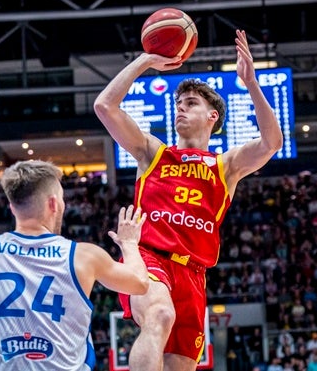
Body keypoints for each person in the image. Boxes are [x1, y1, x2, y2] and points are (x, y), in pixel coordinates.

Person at [94, 29, 283, 370]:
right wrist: (147, 60)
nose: (180, 109)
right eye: (178, 105)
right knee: (159, 314)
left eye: (191, 103)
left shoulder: (225, 166)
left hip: (194, 274)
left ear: (213, 116)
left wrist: (252, 84)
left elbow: (271, 143)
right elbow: (105, 106)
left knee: (182, 364)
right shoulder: (153, 152)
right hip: (149, 258)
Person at [0, 159, 149, 371]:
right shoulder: (83, 256)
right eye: (61, 199)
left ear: (12, 207)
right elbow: (140, 283)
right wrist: (130, 243)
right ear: (53, 204)